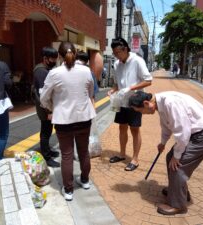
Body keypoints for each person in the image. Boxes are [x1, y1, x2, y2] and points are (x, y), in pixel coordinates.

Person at [128, 91, 203, 215]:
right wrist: (163, 143)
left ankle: (178, 205)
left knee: (177, 166)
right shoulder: (161, 102)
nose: (142, 114)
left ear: (146, 103)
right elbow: (167, 125)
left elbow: (183, 131)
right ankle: (179, 192)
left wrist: (177, 156)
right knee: (170, 157)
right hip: (195, 135)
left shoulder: (170, 103)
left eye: (140, 111)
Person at [40, 41, 96, 201]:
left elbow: (43, 98)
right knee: (84, 151)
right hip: (84, 118)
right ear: (76, 54)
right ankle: (85, 181)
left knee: (66, 155)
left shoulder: (54, 73)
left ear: (59, 55)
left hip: (63, 120)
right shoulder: (86, 71)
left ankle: (69, 190)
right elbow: (90, 92)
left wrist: (53, 107)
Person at [108, 37, 152, 171]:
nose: (116, 56)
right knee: (122, 127)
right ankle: (122, 154)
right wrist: (113, 90)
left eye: (118, 53)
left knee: (134, 129)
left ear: (125, 49)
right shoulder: (117, 64)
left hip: (135, 101)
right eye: (114, 53)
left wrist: (131, 88)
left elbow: (148, 80)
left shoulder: (137, 61)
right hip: (121, 101)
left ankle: (135, 159)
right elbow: (117, 82)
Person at [33, 47, 60, 168]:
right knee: (45, 131)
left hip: (46, 106)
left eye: (56, 58)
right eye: (52, 58)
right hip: (44, 107)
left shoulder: (46, 69)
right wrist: (48, 111)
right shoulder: (41, 71)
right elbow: (42, 94)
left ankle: (47, 150)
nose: (54, 61)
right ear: (45, 58)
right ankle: (46, 156)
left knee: (48, 130)